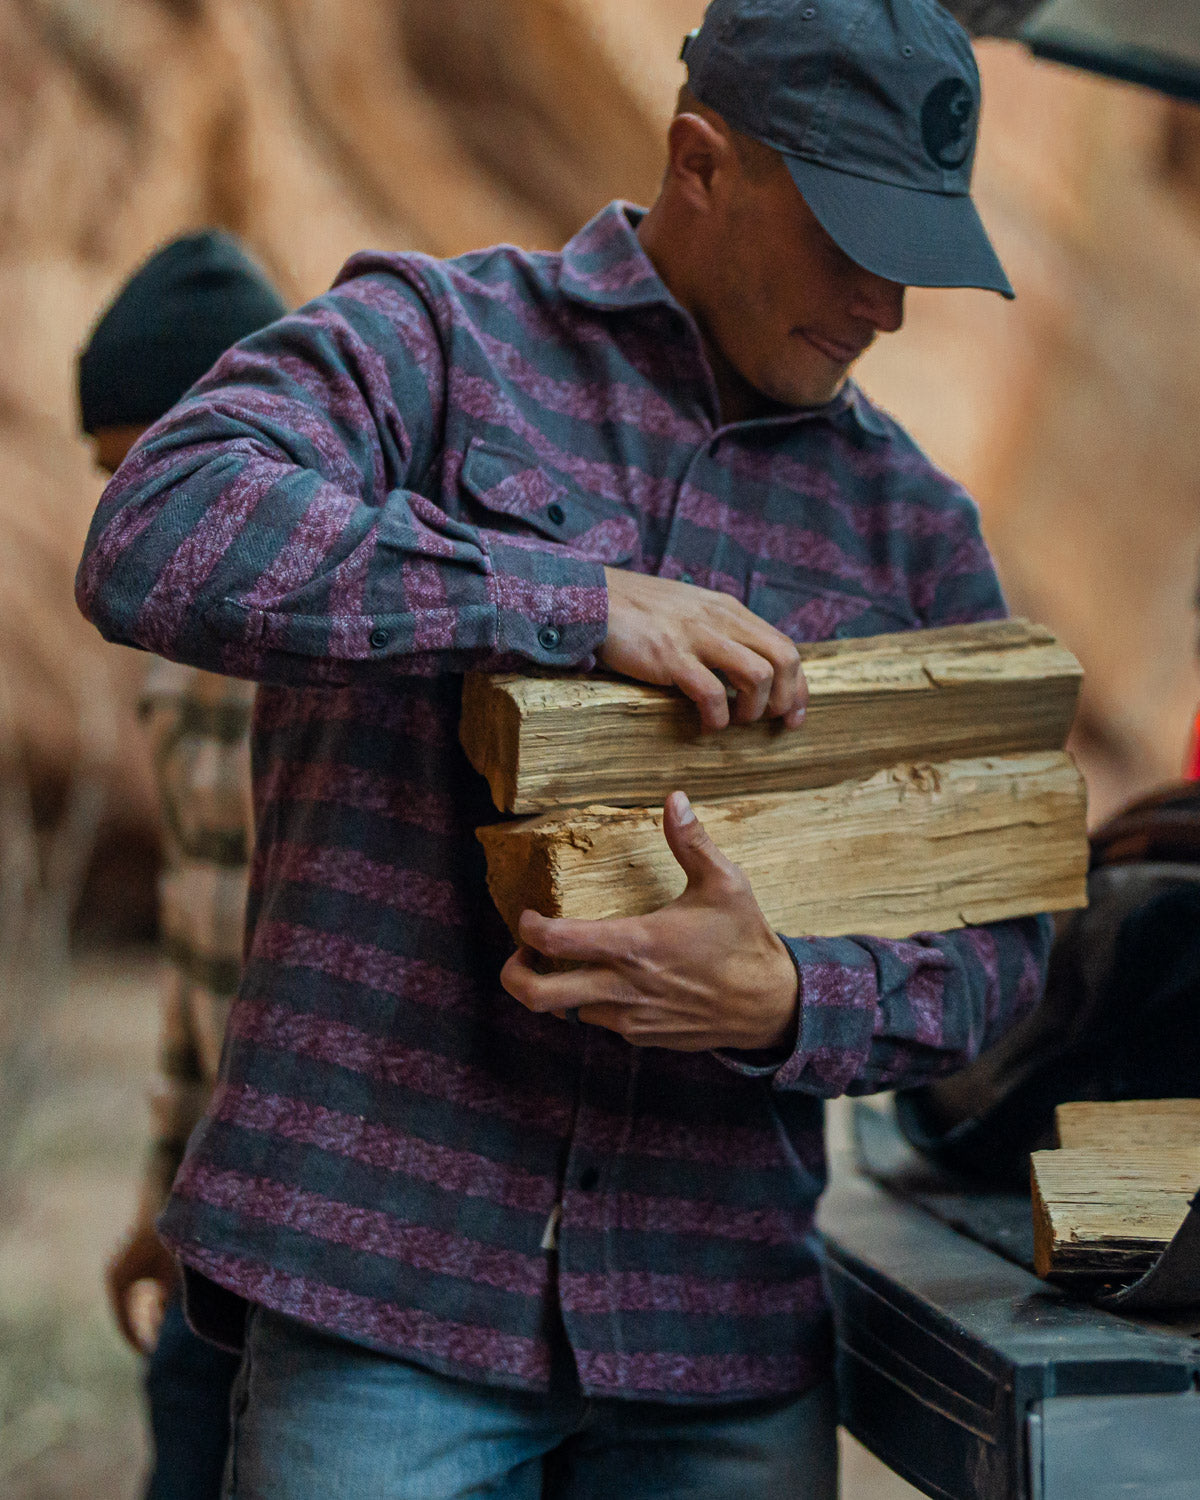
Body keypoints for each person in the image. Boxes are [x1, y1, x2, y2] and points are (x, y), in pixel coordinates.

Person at [74, 2, 1052, 1495]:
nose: (888, 304)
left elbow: (1008, 933)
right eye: (852, 235)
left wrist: (791, 997)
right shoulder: (431, 342)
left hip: (720, 1346)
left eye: (916, 253)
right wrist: (564, 602)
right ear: (700, 159)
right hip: (375, 1304)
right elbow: (156, 529)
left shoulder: (915, 529)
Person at [77, 231, 287, 1500]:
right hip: (214, 1225)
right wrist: (161, 1200)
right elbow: (200, 965)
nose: (122, 524)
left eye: (137, 475)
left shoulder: (355, 655)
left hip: (323, 1249)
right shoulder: (172, 662)